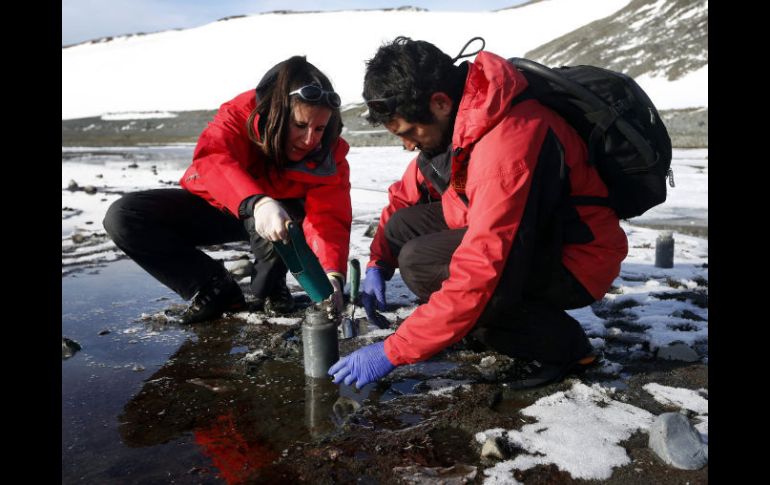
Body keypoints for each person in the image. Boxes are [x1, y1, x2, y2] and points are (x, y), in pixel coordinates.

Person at [329, 37, 628, 390]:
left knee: (420, 263)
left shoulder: (507, 142)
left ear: (439, 102)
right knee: (401, 228)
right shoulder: (466, 119)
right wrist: (378, 263)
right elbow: (403, 196)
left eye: (409, 133)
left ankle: (563, 347)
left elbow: (481, 267)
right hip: (527, 234)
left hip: (577, 259)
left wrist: (394, 351)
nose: (408, 145)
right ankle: (468, 322)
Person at [104, 56, 352, 324]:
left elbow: (329, 217)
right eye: (301, 126)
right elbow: (213, 159)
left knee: (271, 266)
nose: (309, 140)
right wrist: (257, 203)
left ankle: (272, 287)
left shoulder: (329, 152)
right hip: (227, 207)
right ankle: (213, 285)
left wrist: (332, 276)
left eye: (319, 128)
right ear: (278, 113)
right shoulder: (239, 114)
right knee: (125, 216)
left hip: (281, 223)